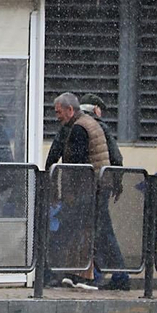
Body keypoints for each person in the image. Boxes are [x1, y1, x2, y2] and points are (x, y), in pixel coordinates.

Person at [44, 92, 109, 290]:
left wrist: (68, 193)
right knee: (90, 232)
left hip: (87, 190)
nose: (57, 116)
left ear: (70, 110)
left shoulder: (78, 129)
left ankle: (66, 274)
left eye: (59, 112)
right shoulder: (87, 123)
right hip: (96, 187)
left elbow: (76, 166)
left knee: (71, 231)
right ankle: (79, 275)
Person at [82, 94, 131, 290]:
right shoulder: (99, 126)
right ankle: (114, 275)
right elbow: (116, 157)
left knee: (98, 231)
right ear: (96, 109)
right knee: (101, 231)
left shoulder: (81, 125)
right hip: (99, 185)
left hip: (90, 187)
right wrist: (116, 182)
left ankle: (107, 274)